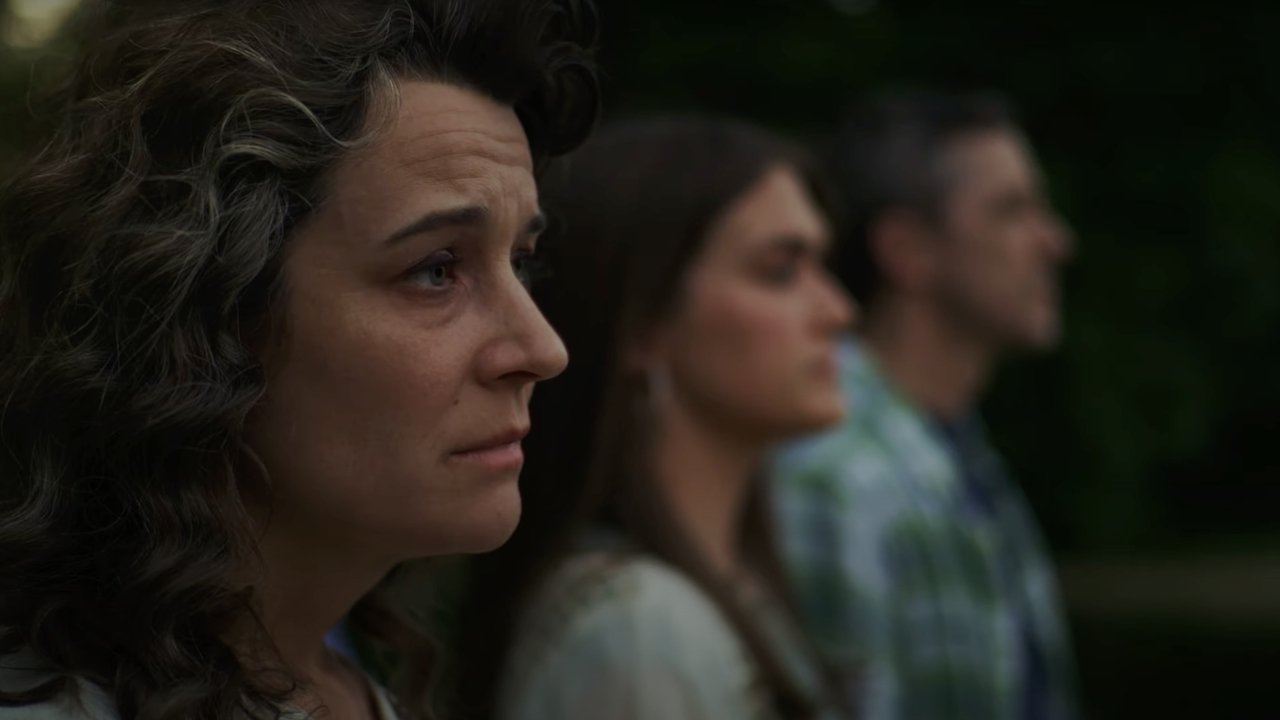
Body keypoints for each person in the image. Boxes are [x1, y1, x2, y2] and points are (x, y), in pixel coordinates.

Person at [0, 1, 597, 718]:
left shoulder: (345, 694)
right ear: (210, 316)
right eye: (438, 269)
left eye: (521, 264)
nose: (543, 350)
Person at [450, 117, 856, 720]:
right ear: (645, 323)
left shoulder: (721, 588)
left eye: (821, 266)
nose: (838, 311)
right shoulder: (639, 631)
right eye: (780, 270)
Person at [772, 91, 1078, 720]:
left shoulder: (953, 448)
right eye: (1012, 210)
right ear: (907, 251)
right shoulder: (838, 476)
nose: (1055, 242)